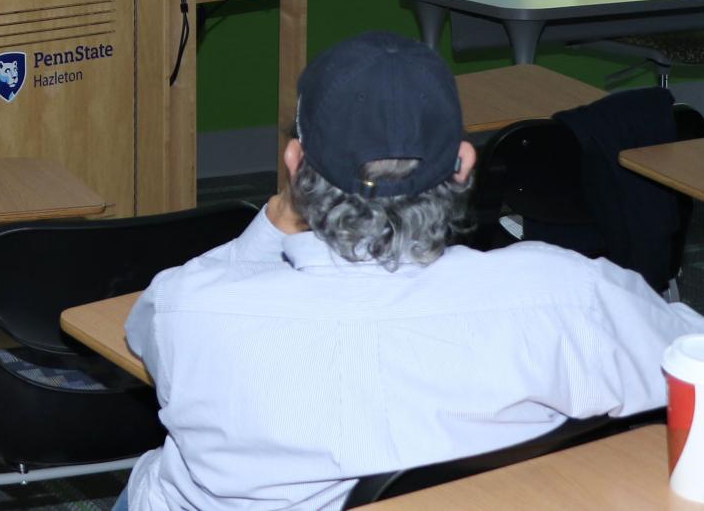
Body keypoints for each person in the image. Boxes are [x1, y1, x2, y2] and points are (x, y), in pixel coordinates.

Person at [120, 30, 704, 511]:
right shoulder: (572, 295)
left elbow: (142, 338)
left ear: (296, 167)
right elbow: (687, 358)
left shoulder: (190, 307)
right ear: (463, 167)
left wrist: (268, 228)